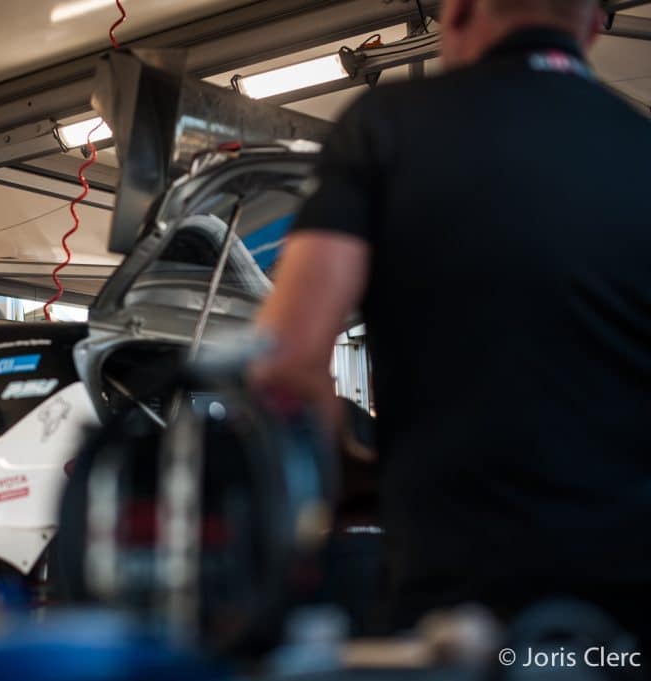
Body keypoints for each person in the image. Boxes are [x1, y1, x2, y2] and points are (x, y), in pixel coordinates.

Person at [250, 0, 651, 640]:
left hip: (447, 601)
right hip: (630, 610)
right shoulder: (642, 148)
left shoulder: (384, 126)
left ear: (459, 12)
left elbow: (284, 358)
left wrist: (352, 475)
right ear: (593, 27)